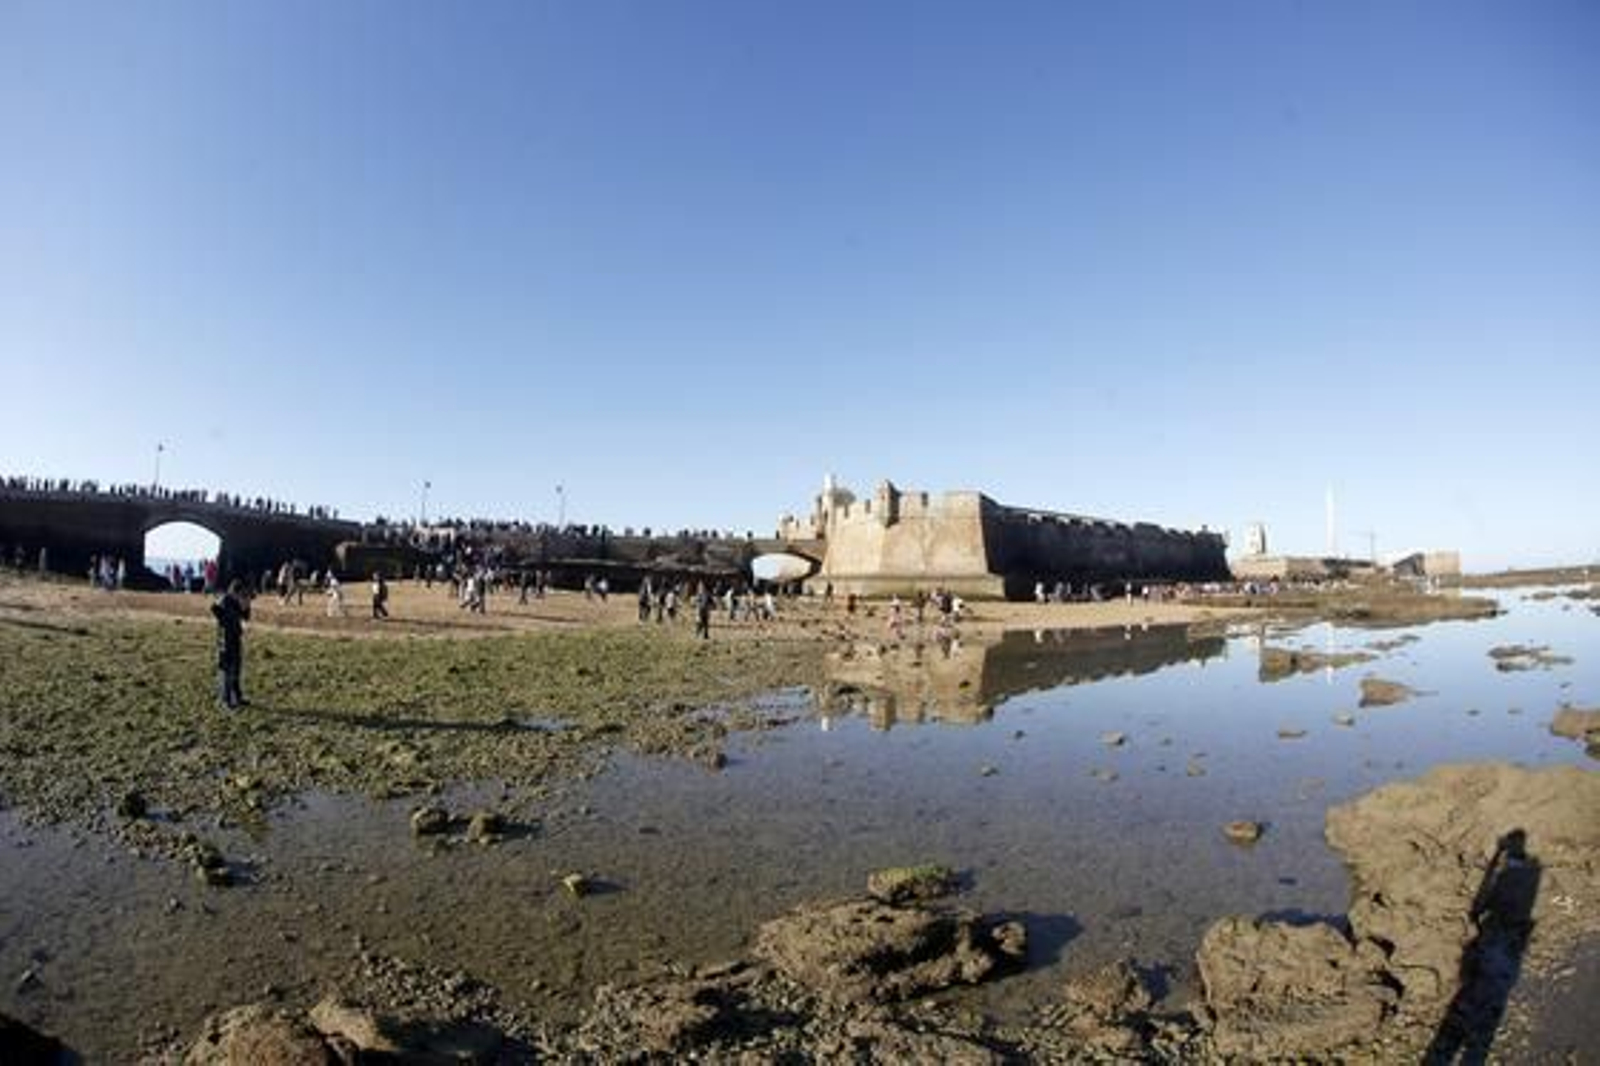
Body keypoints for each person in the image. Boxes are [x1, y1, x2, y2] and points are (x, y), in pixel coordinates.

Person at [210, 579, 251, 709]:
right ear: (234, 591)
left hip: (235, 638)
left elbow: (245, 617)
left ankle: (237, 697)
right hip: (225, 640)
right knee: (226, 670)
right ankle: (225, 700)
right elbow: (214, 609)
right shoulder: (225, 599)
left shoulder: (237, 601)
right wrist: (226, 618)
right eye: (240, 594)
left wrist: (246, 605)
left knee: (236, 668)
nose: (241, 596)